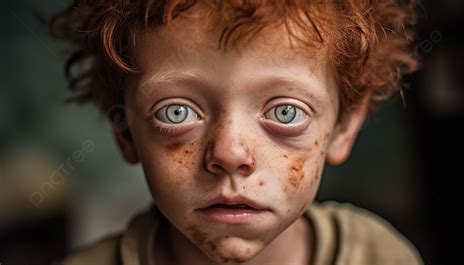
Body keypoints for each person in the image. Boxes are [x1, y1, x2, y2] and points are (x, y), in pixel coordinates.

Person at [50, 0, 423, 264]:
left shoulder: (380, 256)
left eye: (285, 111)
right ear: (125, 131)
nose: (230, 154)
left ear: (342, 128)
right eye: (176, 112)